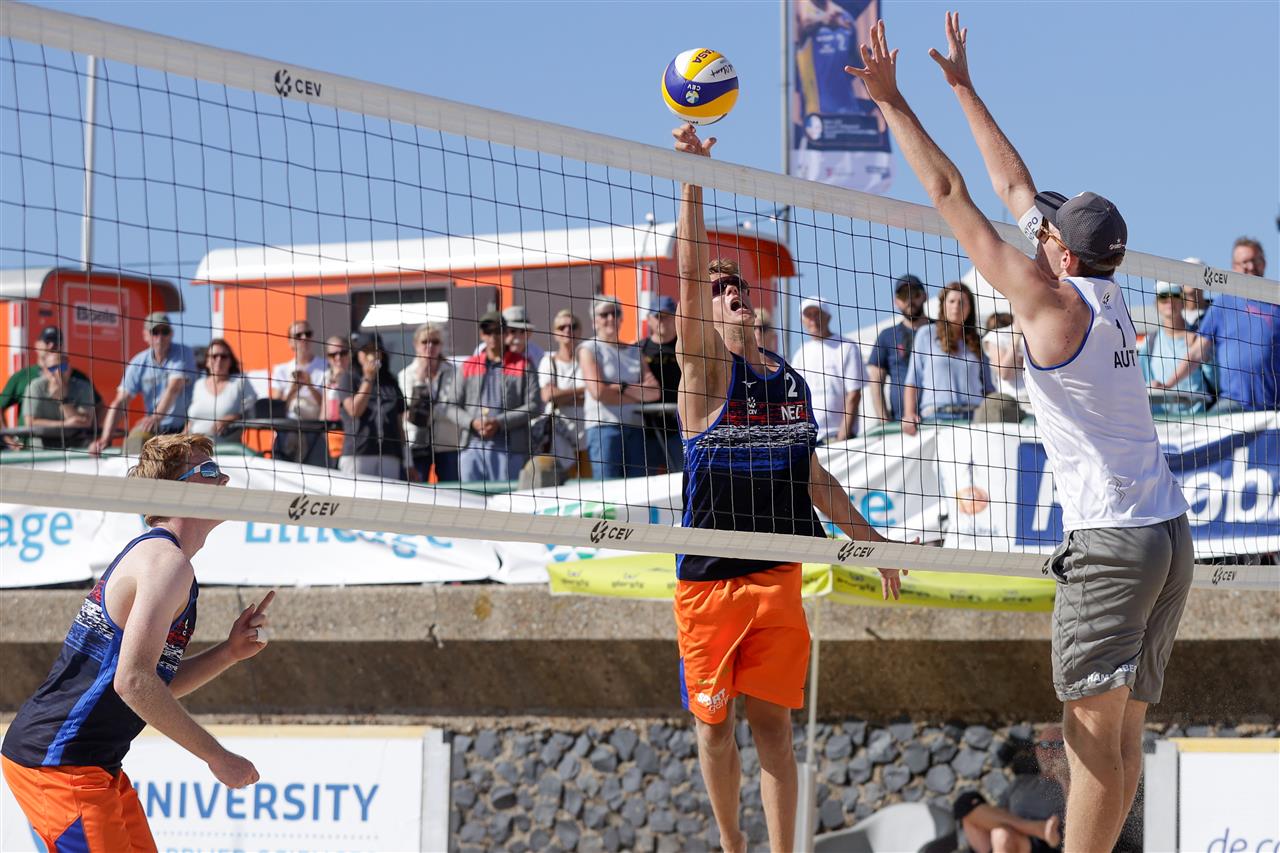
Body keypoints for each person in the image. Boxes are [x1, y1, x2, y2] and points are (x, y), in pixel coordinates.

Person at [846, 16, 1192, 850]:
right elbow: (1014, 187)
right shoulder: (1104, 290)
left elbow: (952, 196)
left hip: (1114, 538)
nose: (1041, 227)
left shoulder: (1050, 303)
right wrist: (963, 87)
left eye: (1050, 230)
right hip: (1167, 531)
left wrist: (892, 103)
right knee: (1119, 733)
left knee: (1088, 736)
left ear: (1063, 255)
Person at [672, 122, 903, 853]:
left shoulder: (792, 382)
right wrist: (693, 177)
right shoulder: (704, 373)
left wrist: (870, 541)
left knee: (773, 727)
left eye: (737, 286)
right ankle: (731, 841)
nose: (730, 294)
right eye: (720, 291)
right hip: (710, 579)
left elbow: (814, 479)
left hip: (776, 569)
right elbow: (689, 277)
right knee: (714, 728)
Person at [1, 434, 272, 853]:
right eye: (209, 471)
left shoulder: (169, 562)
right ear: (175, 491)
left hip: (92, 761)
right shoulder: (165, 563)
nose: (225, 480)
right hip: (60, 762)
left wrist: (228, 653)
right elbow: (132, 682)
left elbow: (147, 686)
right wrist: (217, 756)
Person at [1156, 237, 1277, 412]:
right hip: (1233, 405)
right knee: (1203, 428)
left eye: (1255, 260)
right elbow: (1196, 353)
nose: (1250, 266)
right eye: (1244, 262)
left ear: (1263, 263)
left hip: (1273, 407)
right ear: (1234, 267)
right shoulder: (1222, 304)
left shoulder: (1276, 304)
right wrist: (1168, 384)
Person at [446, 311, 540, 484]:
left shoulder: (523, 364)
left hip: (510, 448)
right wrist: (471, 422)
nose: (493, 336)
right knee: (470, 499)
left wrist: (499, 422)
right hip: (471, 447)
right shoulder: (468, 365)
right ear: (482, 334)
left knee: (507, 499)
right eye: (488, 331)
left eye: (497, 331)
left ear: (506, 333)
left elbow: (535, 406)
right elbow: (451, 406)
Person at [91, 312, 197, 455]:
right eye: (154, 332)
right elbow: (120, 402)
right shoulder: (138, 362)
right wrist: (105, 438)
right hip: (155, 428)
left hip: (185, 425)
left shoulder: (183, 353)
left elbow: (174, 387)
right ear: (145, 335)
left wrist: (156, 417)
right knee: (135, 441)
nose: (160, 337)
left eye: (164, 332)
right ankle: (132, 469)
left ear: (171, 334)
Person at [578, 295, 661, 479]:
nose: (610, 318)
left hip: (636, 428)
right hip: (604, 429)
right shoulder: (589, 349)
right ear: (594, 320)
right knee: (607, 490)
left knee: (639, 490)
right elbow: (599, 392)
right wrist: (638, 392)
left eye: (615, 313)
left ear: (621, 318)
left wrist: (620, 387)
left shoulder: (634, 351)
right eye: (604, 314)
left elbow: (655, 392)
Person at [953, 726, 1066, 853]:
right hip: (1007, 840)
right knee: (966, 802)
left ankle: (1036, 830)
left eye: (1057, 745)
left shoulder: (1070, 787)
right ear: (1037, 749)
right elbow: (997, 815)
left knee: (1001, 834)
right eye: (1044, 745)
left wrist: (1062, 776)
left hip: (1044, 846)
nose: (1050, 751)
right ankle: (1036, 829)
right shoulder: (1020, 782)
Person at [902, 281, 994, 434]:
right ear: (943, 305)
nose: (956, 306)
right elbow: (913, 380)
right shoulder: (926, 334)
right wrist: (909, 414)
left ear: (970, 308)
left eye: (962, 302)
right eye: (951, 301)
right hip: (937, 416)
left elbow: (988, 387)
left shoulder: (977, 342)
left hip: (974, 417)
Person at [0, 325, 102, 439]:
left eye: (57, 342)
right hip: (32, 444)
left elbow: (98, 408)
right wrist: (7, 439)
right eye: (47, 341)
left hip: (74, 444)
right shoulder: (24, 378)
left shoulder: (80, 379)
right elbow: (29, 421)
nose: (52, 345)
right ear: (37, 344)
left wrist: (95, 437)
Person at [790, 295, 866, 443]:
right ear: (802, 321)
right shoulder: (801, 353)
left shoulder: (846, 347)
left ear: (828, 317)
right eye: (808, 315)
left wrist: (842, 436)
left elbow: (854, 394)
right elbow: (796, 398)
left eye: (817, 314)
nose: (813, 320)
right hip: (810, 439)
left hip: (838, 437)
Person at [1138, 281, 1215, 415]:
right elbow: (1140, 382)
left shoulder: (1199, 338)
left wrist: (1206, 357)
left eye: (1175, 295)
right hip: (1161, 420)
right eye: (1163, 296)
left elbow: (1216, 382)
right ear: (1156, 304)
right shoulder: (1149, 342)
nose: (1169, 300)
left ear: (1183, 301)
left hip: (1197, 418)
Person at [337, 332, 406, 479]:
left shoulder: (390, 381)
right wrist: (368, 377)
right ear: (358, 354)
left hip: (389, 453)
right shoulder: (348, 378)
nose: (372, 355)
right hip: (358, 453)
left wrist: (408, 460)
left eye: (375, 350)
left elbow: (399, 422)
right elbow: (354, 410)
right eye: (366, 350)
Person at [398, 322, 461, 483]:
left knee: (452, 490)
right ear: (416, 344)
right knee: (418, 491)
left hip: (447, 443)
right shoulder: (406, 375)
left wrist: (425, 409)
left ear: (441, 345)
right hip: (416, 443)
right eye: (425, 342)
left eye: (435, 342)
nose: (430, 346)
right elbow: (409, 413)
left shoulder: (454, 372)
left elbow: (456, 407)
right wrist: (420, 380)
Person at [867, 274, 930, 423]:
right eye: (903, 296)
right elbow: (875, 381)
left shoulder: (941, 331)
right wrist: (884, 420)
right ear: (895, 302)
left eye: (914, 294)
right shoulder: (887, 336)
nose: (909, 300)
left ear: (925, 296)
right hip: (900, 423)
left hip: (940, 417)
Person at [537, 308, 589, 478]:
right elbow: (548, 396)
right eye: (562, 327)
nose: (567, 330)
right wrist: (584, 389)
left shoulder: (588, 360)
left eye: (572, 326)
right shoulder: (548, 362)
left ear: (580, 331)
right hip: (560, 438)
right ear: (555, 333)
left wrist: (562, 395)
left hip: (588, 435)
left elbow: (598, 394)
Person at [641, 295, 684, 474]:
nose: (662, 321)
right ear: (649, 319)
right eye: (657, 316)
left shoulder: (686, 348)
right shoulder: (638, 350)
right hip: (647, 429)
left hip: (681, 428)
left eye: (667, 316)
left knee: (682, 479)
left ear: (675, 317)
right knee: (645, 483)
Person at [185, 338, 258, 441]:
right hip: (193, 443)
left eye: (223, 356)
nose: (219, 360)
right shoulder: (199, 384)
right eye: (214, 356)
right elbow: (191, 422)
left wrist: (233, 417)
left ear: (230, 361)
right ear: (207, 361)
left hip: (224, 446)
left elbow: (252, 410)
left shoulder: (239, 382)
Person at [975, 312, 1029, 424]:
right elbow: (1005, 373)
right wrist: (1016, 338)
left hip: (1040, 402)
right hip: (1012, 405)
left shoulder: (1034, 332)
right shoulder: (996, 336)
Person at [270, 319, 325, 421]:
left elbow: (328, 406)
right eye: (298, 335)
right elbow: (275, 408)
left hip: (317, 424)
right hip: (289, 424)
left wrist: (310, 386)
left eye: (308, 334)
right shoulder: (281, 370)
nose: (304, 338)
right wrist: (293, 390)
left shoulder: (326, 366)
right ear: (290, 342)